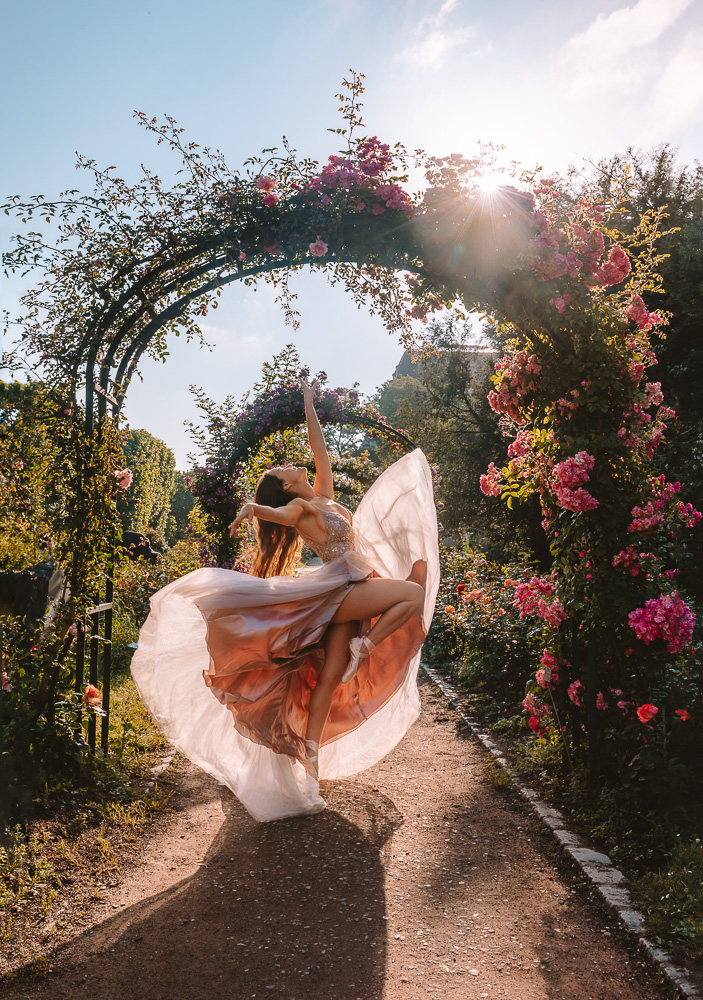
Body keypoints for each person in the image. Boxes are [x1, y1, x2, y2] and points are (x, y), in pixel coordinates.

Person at [131, 378, 439, 822]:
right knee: (410, 593)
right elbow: (272, 512)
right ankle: (364, 647)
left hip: (346, 588)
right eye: (281, 472)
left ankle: (309, 764)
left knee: (331, 678)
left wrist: (310, 404)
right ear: (287, 486)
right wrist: (250, 510)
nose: (289, 466)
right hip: (343, 593)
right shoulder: (300, 509)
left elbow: (320, 452)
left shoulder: (324, 499)